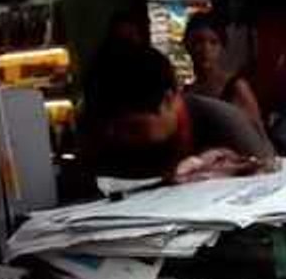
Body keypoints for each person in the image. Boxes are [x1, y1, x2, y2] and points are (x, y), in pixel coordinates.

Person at [79, 40, 273, 179]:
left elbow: (269, 177)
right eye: (112, 130)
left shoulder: (226, 124)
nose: (122, 138)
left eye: (133, 129)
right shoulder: (109, 140)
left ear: (169, 100)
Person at [183, 11, 268, 140]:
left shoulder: (236, 87)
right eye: (199, 41)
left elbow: (258, 136)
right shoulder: (189, 91)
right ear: (188, 45)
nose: (206, 49)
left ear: (222, 47)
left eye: (213, 42)